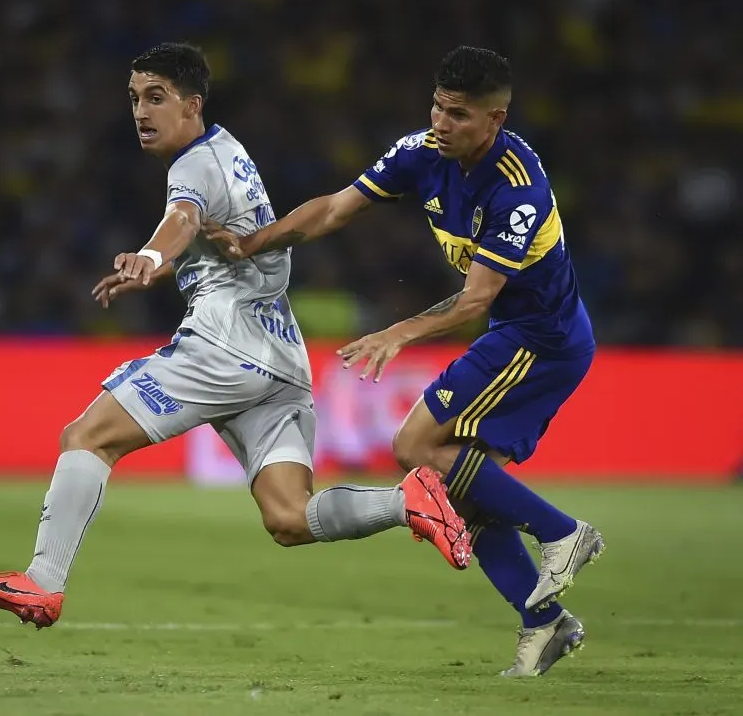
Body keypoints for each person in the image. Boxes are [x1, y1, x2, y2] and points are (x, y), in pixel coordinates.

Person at [0, 43, 471, 630]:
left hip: (224, 345)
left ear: (192, 105)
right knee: (289, 518)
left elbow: (184, 219)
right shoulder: (229, 153)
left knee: (88, 435)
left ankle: (42, 583)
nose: (140, 112)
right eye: (133, 99)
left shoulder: (193, 166)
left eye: (156, 97)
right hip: (280, 361)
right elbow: (217, 241)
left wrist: (151, 253)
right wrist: (161, 268)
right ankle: (408, 502)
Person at [204, 46, 605, 677]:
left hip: (541, 339)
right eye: (438, 108)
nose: (442, 123)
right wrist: (253, 242)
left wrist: (400, 332)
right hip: (519, 333)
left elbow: (476, 299)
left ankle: (562, 533)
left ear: (496, 119)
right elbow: (336, 207)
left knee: (414, 443)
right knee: (461, 487)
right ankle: (544, 624)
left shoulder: (518, 187)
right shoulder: (422, 150)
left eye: (460, 115)